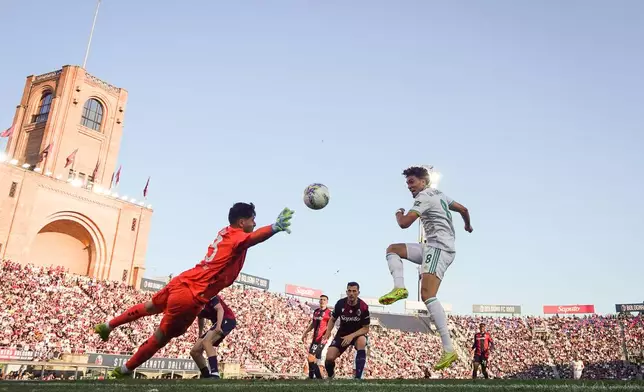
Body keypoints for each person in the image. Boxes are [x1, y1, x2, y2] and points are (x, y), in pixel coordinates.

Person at [93, 203, 294, 378]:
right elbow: (253, 238)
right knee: (160, 337)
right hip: (192, 296)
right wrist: (274, 228)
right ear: (242, 222)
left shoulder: (225, 232)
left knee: (150, 306)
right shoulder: (238, 238)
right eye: (253, 220)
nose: (255, 224)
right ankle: (125, 370)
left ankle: (109, 325)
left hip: (183, 280)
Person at [378, 166, 472, 370]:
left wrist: (398, 213)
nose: (409, 187)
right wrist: (468, 226)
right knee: (392, 250)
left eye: (412, 182)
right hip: (431, 246)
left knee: (428, 294)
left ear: (424, 181)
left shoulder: (424, 197)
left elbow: (404, 223)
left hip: (439, 248)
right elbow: (464, 209)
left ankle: (448, 349)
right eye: (407, 183)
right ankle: (399, 287)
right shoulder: (440, 194)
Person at [323, 282, 370, 379]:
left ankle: (358, 377)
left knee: (362, 341)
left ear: (358, 292)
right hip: (342, 334)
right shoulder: (340, 304)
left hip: (357, 334)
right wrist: (328, 332)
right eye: (349, 291)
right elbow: (332, 319)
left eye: (354, 291)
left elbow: (366, 328)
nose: (351, 293)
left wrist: (352, 336)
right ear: (346, 292)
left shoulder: (363, 307)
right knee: (329, 358)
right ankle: (331, 376)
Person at [190, 295, 236, 378]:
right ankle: (206, 376)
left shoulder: (209, 295)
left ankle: (215, 373)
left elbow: (220, 309)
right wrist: (200, 333)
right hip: (217, 323)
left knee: (206, 341)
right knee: (194, 351)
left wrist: (218, 326)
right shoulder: (194, 304)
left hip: (227, 319)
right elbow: (200, 317)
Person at [301, 295, 332, 379]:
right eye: (321, 299)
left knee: (312, 358)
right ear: (319, 301)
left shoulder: (329, 313)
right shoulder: (316, 311)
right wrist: (305, 332)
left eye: (324, 300)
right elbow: (313, 324)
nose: (322, 301)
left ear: (327, 301)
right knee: (311, 358)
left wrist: (327, 335)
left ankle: (313, 377)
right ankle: (316, 378)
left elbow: (331, 325)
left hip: (322, 339)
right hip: (315, 338)